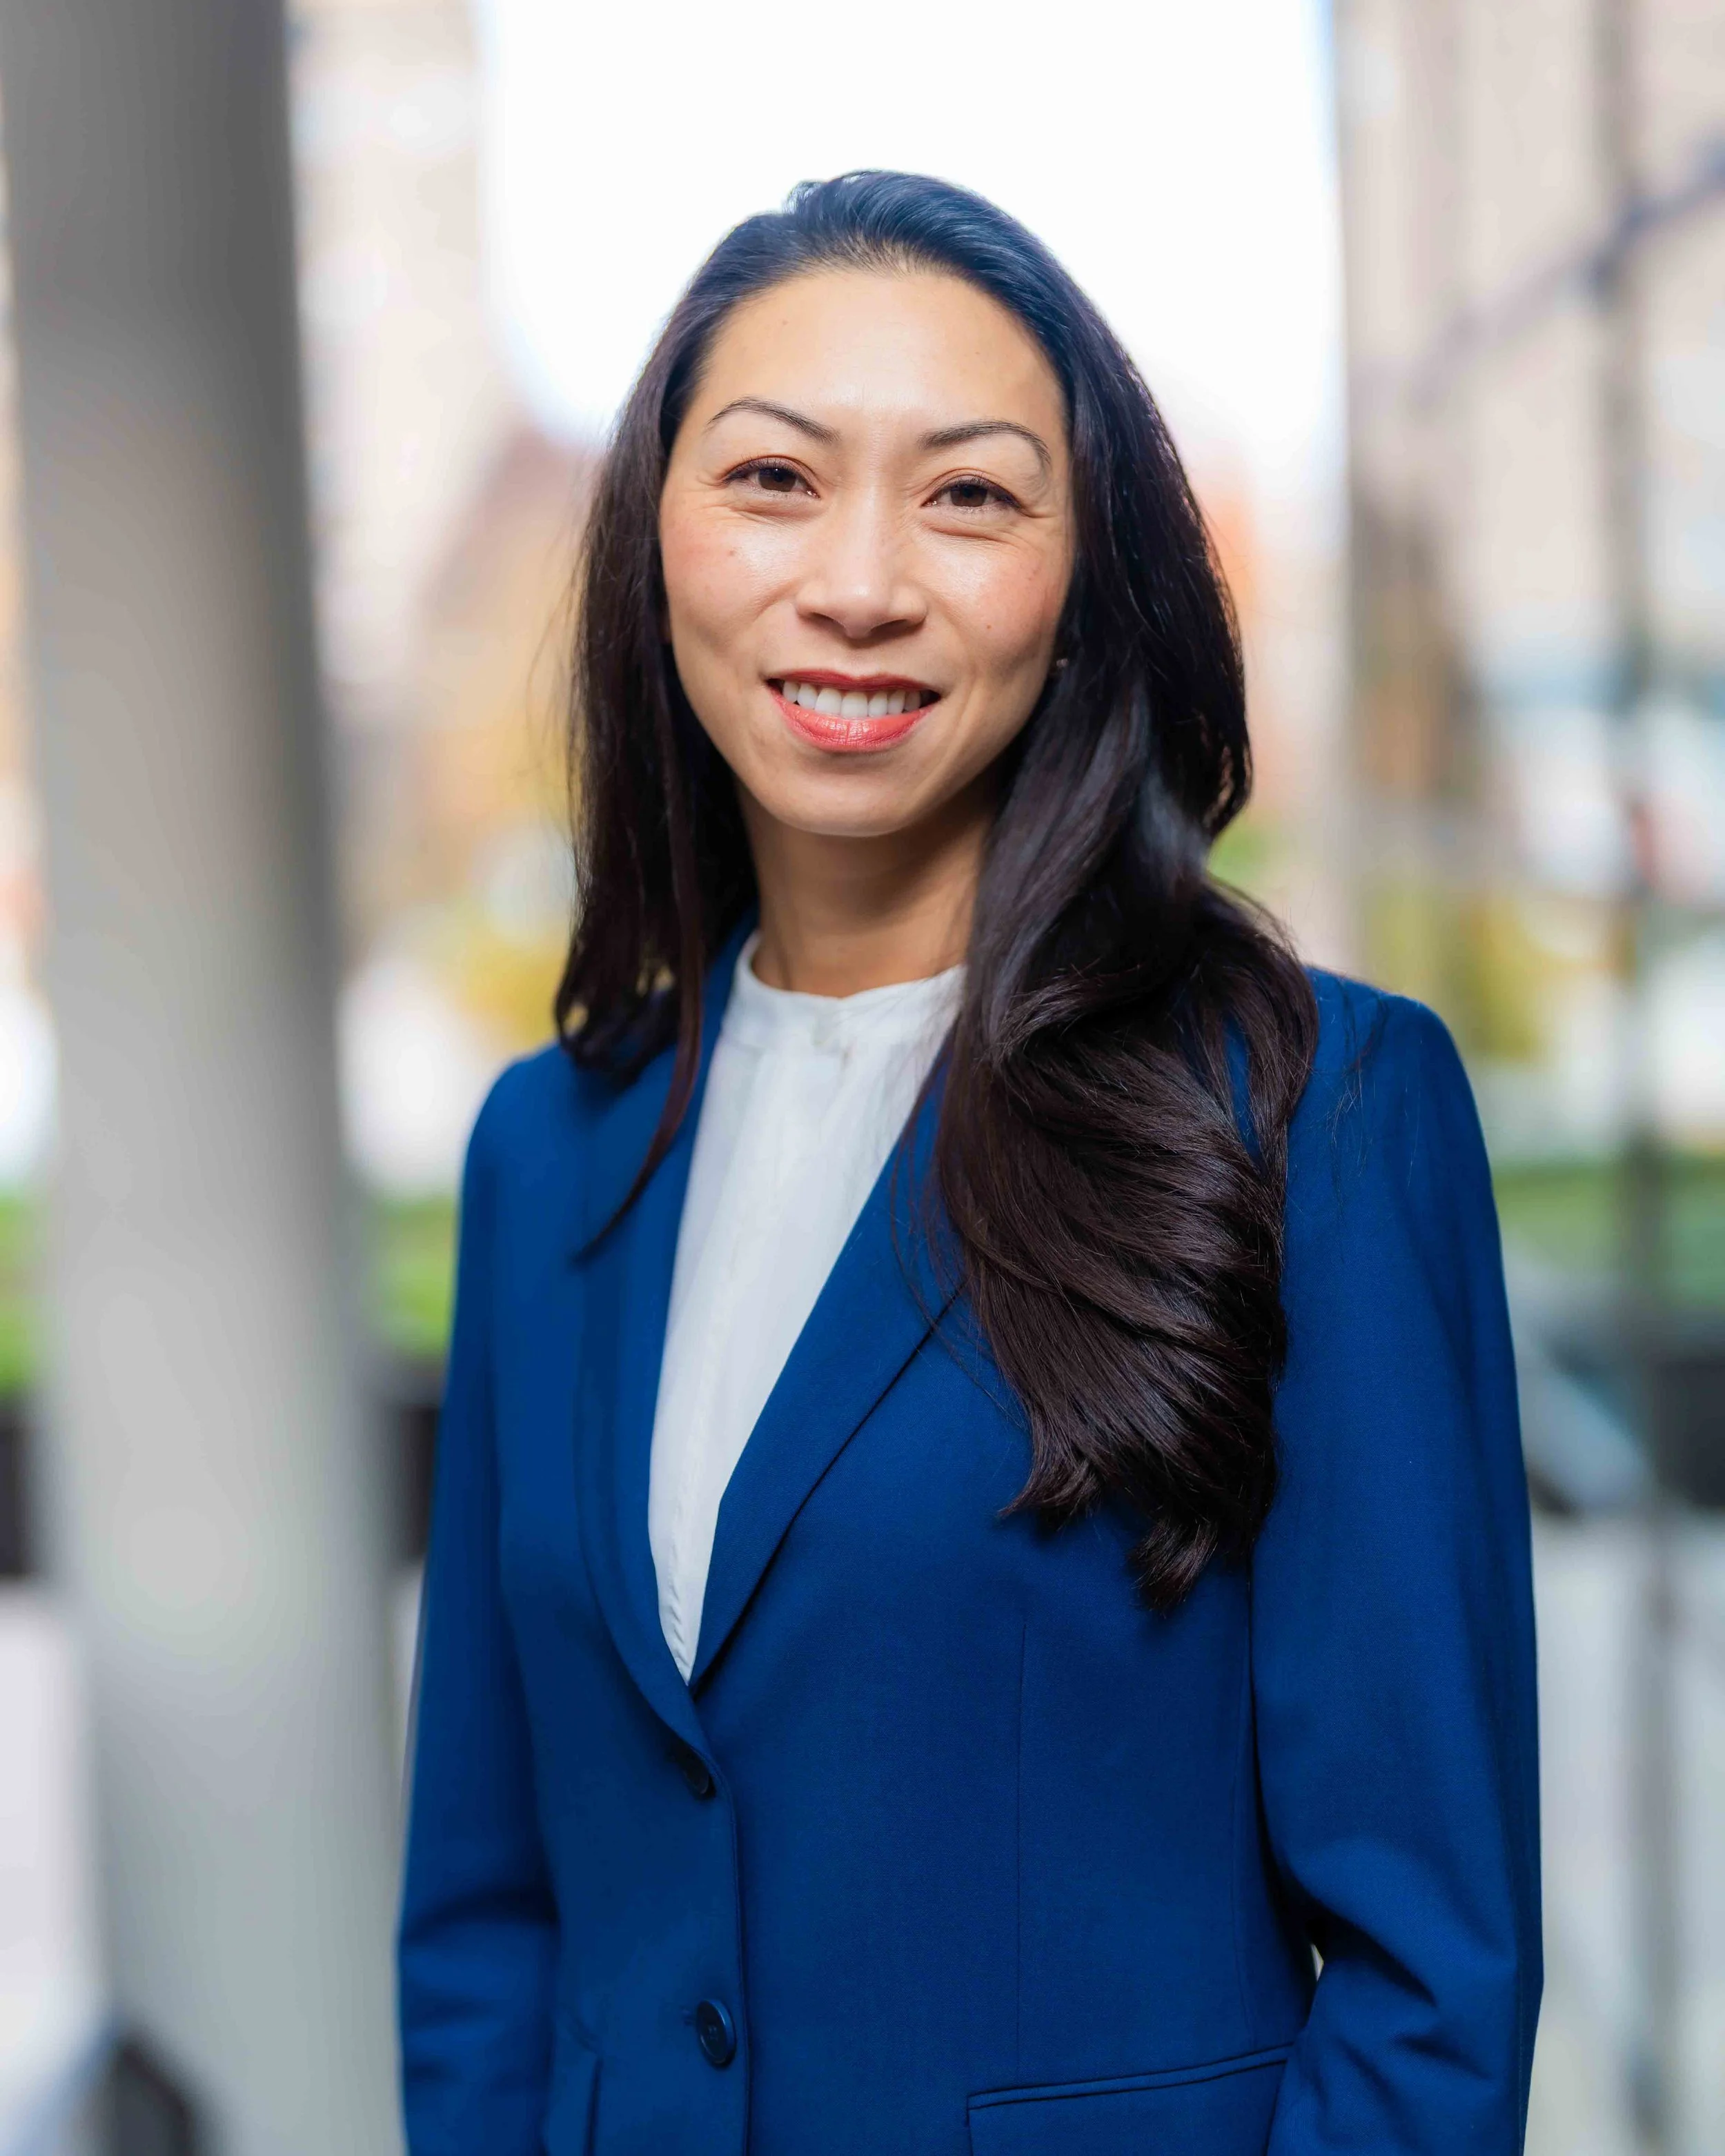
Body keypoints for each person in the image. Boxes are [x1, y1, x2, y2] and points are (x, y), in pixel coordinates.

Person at [397, 172, 1541, 2156]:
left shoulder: (1316, 1111)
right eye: (771, 476)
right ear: (653, 538)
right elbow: (491, 1910)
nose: (856, 581)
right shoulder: (542, 1154)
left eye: (968, 495)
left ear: (1084, 581)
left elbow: (1433, 1973)